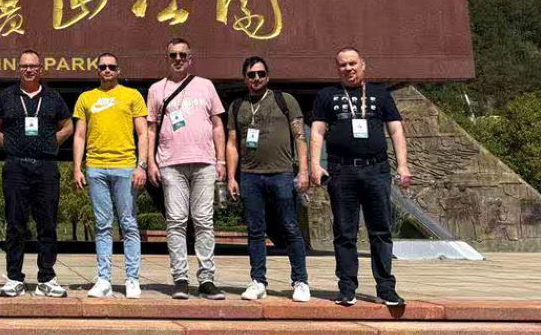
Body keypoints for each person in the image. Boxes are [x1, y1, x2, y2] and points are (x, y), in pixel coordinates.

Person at [310, 47, 412, 307]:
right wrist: (314, 165)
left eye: (353, 63)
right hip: (342, 171)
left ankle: (386, 288)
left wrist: (403, 165)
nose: (348, 68)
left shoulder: (381, 94)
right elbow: (318, 132)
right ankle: (347, 288)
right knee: (345, 232)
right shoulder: (326, 95)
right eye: (343, 65)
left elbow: (396, 131)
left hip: (376, 170)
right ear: (337, 68)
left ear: (363, 65)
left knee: (381, 231)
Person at [0, 49, 72, 298]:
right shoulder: (6, 96)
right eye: (24, 66)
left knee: (47, 224)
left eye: (33, 66)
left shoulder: (53, 97)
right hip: (16, 166)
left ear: (40, 68)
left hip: (46, 167)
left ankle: (47, 278)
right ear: (19, 69)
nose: (29, 70)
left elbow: (68, 126)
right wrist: (5, 141)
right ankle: (14, 278)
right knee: (15, 224)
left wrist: (52, 142)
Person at [146, 37, 226, 300]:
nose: (178, 59)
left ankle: (206, 279)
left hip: (204, 162)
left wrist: (221, 161)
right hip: (171, 163)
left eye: (182, 55)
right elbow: (151, 128)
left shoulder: (206, 85)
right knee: (176, 221)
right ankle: (180, 278)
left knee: (203, 221)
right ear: (166, 58)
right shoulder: (156, 89)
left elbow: (217, 125)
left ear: (190, 59)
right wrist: (150, 161)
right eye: (173, 55)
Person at [226, 56, 310, 302]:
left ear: (268, 76)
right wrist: (231, 177)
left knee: (290, 227)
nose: (256, 78)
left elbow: (300, 138)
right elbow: (232, 144)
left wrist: (303, 171)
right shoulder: (237, 106)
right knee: (255, 231)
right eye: (251, 75)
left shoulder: (285, 100)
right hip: (250, 176)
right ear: (245, 78)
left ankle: (300, 281)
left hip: (281, 174)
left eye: (261, 74)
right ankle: (258, 281)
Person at [72, 51, 147, 299]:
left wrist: (141, 165)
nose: (107, 70)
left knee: (128, 223)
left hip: (125, 167)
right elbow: (79, 135)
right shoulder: (86, 98)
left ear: (118, 70)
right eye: (103, 66)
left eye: (111, 67)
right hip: (96, 167)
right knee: (103, 225)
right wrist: (77, 167)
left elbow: (143, 133)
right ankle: (104, 279)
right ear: (97, 70)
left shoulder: (132, 95)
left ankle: (132, 279)